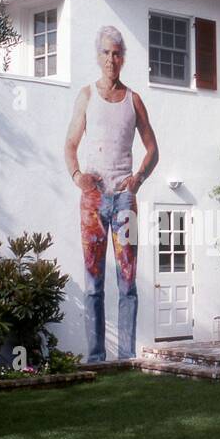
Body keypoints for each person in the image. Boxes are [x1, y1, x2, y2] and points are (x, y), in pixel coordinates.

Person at [63, 26, 159, 362]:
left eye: (117, 53)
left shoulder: (134, 100)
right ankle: (96, 357)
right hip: (93, 200)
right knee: (93, 283)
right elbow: (71, 145)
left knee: (128, 282)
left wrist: (137, 179)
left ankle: (127, 356)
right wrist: (77, 176)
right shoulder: (86, 96)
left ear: (123, 58)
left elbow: (152, 150)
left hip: (124, 202)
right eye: (105, 52)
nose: (111, 59)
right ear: (98, 55)